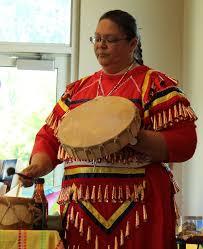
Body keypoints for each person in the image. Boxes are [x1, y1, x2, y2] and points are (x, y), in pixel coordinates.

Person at [20, 9, 197, 249]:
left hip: (139, 210)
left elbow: (184, 142)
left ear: (132, 43)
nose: (101, 45)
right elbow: (50, 137)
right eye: (97, 38)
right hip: (82, 212)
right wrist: (38, 166)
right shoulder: (77, 91)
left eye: (110, 40)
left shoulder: (155, 85)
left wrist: (131, 136)